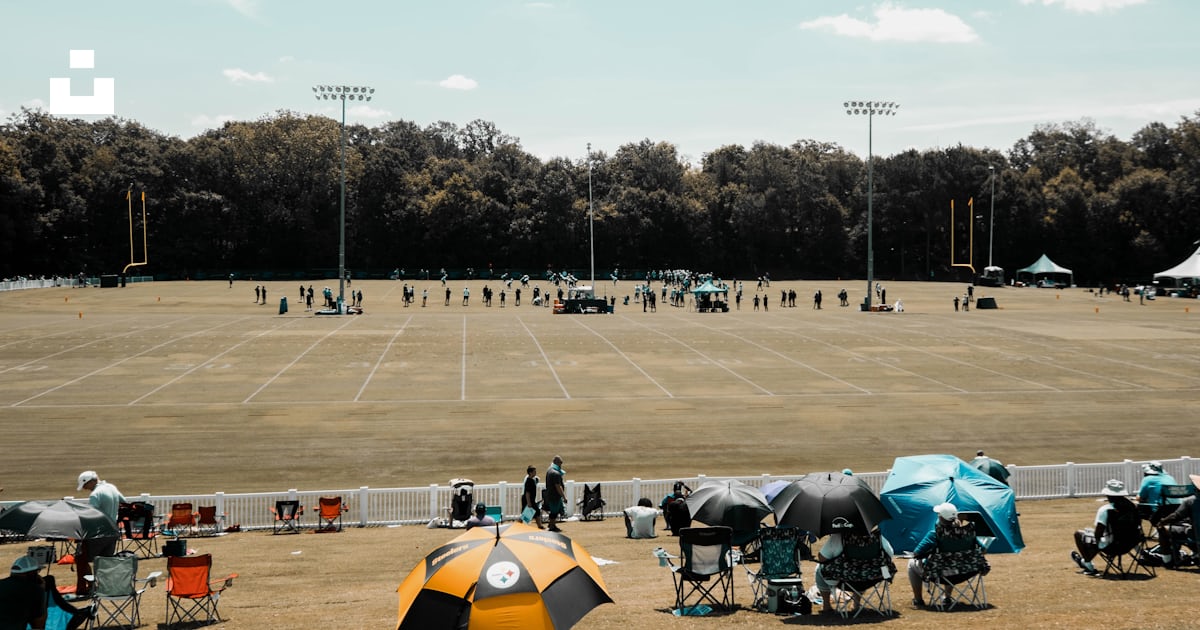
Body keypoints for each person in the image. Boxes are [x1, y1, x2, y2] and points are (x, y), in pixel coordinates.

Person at [907, 502, 985, 607]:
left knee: (911, 563)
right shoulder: (969, 532)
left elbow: (916, 553)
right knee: (951, 563)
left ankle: (918, 599)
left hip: (940, 573)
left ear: (941, 517)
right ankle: (947, 597)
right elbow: (983, 549)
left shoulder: (934, 534)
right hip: (966, 572)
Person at [814, 528, 895, 614]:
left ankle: (826, 606)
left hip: (845, 578)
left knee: (819, 568)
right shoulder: (877, 536)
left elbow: (822, 558)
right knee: (862, 569)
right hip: (873, 577)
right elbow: (890, 554)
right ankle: (856, 604)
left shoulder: (839, 537)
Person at [1071, 479, 1136, 576]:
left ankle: (1087, 564)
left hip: (1112, 546)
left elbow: (1098, 534)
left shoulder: (1106, 510)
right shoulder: (1133, 507)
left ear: (1108, 494)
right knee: (1104, 538)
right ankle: (1085, 562)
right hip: (1130, 544)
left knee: (1079, 534)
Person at [76, 471, 124, 594]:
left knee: (81, 558)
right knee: (105, 561)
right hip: (112, 531)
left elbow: (92, 516)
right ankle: (105, 585)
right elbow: (123, 501)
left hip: (99, 533)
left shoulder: (95, 495)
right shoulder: (111, 487)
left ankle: (89, 585)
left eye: (85, 486)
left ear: (91, 481)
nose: (86, 489)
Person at [1153, 473, 1199, 567]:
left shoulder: (1191, 501)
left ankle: (1167, 560)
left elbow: (1176, 516)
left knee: (1163, 529)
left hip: (1195, 534)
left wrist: (1162, 522)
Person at [0, 556, 46, 630]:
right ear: (32, 573)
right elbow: (38, 625)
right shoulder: (34, 590)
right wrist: (42, 591)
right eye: (37, 572)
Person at [544, 456, 566, 532]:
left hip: (550, 494)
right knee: (554, 512)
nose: (561, 464)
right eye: (560, 463)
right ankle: (552, 526)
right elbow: (558, 486)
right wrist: (564, 496)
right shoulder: (556, 473)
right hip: (555, 495)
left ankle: (552, 524)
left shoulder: (549, 470)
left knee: (554, 511)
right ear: (557, 462)